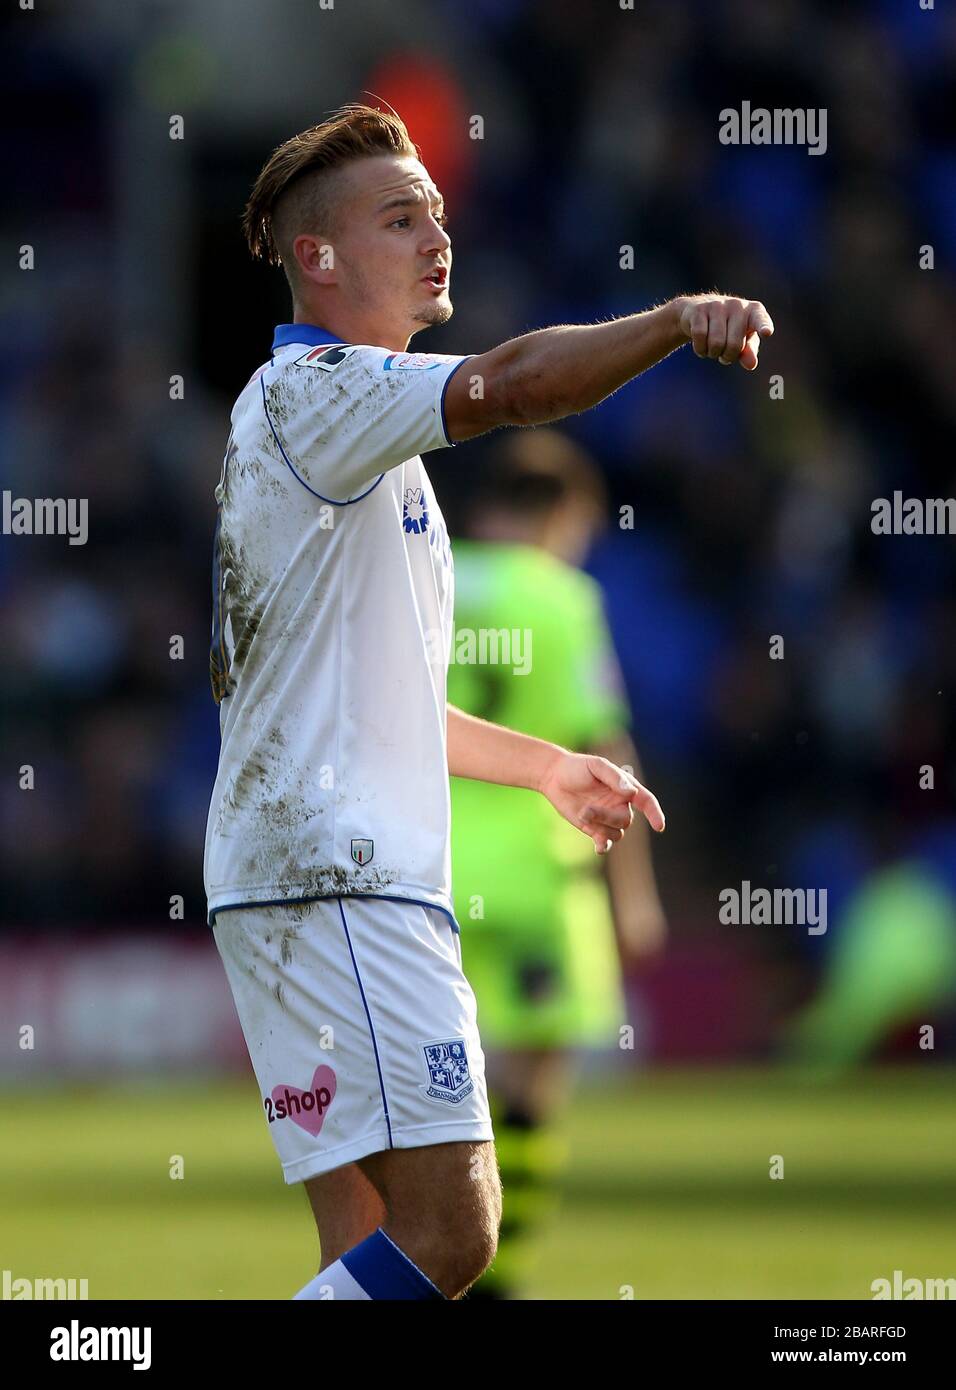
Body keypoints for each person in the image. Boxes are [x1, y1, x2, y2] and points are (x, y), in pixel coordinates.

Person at [204, 102, 772, 1302]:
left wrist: (545, 766)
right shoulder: (324, 398)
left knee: (362, 1246)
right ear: (318, 258)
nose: (434, 235)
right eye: (397, 216)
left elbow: (385, 698)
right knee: (457, 1233)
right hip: (345, 877)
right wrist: (671, 320)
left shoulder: (346, 438)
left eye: (438, 213)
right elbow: (513, 385)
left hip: (288, 874)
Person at [447, 429, 667, 1299]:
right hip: (541, 873)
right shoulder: (564, 598)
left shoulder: (426, 576)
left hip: (431, 870)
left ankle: (433, 1250)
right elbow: (604, 742)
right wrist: (636, 895)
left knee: (439, 1081)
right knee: (532, 1087)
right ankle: (500, 1273)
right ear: (556, 515)